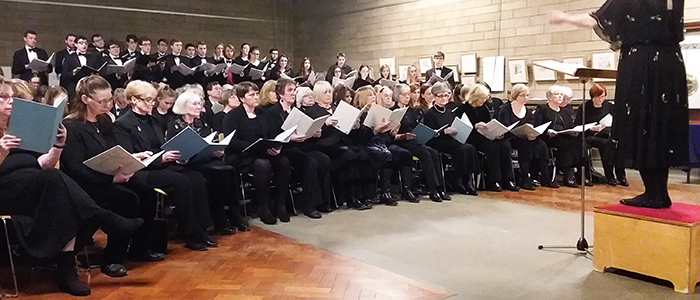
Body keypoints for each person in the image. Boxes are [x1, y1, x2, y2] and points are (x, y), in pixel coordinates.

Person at [0, 76, 143, 296]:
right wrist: (2, 151)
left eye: (11, 97)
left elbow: (40, 162)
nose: (10, 101)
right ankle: (102, 219)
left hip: (35, 184)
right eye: (3, 97)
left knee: (58, 188)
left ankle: (66, 271)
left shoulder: (20, 127)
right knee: (54, 179)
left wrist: (58, 144)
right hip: (6, 190)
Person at [550, 0, 687, 208]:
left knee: (640, 124)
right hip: (670, 65)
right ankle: (659, 193)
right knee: (660, 125)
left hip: (641, 63)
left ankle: (653, 193)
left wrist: (565, 17)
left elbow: (595, 20)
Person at [61, 75, 159, 278]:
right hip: (83, 183)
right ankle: (112, 259)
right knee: (127, 199)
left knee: (146, 192)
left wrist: (131, 158)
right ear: (86, 99)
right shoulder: (72, 126)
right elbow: (73, 166)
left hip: (106, 176)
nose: (108, 105)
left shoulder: (104, 121)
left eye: (110, 100)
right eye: (102, 101)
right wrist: (111, 179)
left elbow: (113, 151)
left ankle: (136, 249)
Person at [114, 80, 216, 251]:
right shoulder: (123, 124)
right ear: (133, 100)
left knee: (196, 177)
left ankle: (202, 230)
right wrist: (160, 158)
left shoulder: (152, 121)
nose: (151, 104)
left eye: (153, 100)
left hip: (160, 163)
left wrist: (173, 154)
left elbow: (161, 145)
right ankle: (190, 234)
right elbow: (128, 156)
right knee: (180, 181)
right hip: (140, 171)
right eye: (147, 100)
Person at [166, 91, 246, 234]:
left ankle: (233, 213)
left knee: (228, 170)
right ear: (184, 107)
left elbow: (208, 141)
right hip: (186, 163)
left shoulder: (201, 122)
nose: (199, 107)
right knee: (211, 177)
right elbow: (175, 148)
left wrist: (216, 150)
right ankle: (213, 221)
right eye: (195, 104)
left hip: (203, 160)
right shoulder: (174, 125)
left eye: (200, 104)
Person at [222, 82, 291, 224]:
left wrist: (277, 146)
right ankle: (263, 207)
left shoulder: (263, 113)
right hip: (243, 156)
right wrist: (252, 146)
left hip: (263, 151)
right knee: (263, 165)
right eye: (251, 94)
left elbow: (273, 133)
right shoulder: (233, 116)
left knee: (283, 162)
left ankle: (280, 206)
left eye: (257, 94)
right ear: (242, 98)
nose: (256, 97)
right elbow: (231, 141)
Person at [302, 81, 374, 210]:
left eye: (330, 92)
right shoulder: (312, 111)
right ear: (318, 94)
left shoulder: (336, 108)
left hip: (341, 143)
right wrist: (325, 124)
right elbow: (311, 134)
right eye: (326, 92)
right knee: (349, 155)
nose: (329, 95)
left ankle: (365, 195)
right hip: (324, 146)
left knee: (362, 154)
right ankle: (351, 197)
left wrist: (355, 126)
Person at [265, 78, 328, 217]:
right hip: (284, 149)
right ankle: (309, 206)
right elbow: (272, 134)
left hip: (300, 146)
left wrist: (314, 132)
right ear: (281, 94)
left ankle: (325, 201)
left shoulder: (297, 111)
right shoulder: (272, 112)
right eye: (290, 90)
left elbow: (303, 130)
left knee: (324, 160)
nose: (293, 93)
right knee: (309, 162)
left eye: (294, 90)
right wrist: (290, 137)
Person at [391, 83, 450, 202]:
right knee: (426, 154)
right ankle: (433, 190)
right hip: (401, 141)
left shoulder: (412, 111)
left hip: (414, 139)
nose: (408, 97)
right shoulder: (393, 111)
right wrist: (401, 135)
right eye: (404, 94)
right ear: (397, 96)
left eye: (409, 94)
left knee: (434, 152)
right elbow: (392, 133)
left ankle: (440, 188)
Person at [495, 84, 557, 190]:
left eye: (527, 95)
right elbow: (504, 126)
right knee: (525, 146)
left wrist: (531, 133)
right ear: (515, 96)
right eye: (522, 95)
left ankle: (545, 177)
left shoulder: (527, 110)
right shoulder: (505, 109)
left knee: (541, 145)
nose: (526, 98)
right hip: (511, 138)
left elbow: (531, 123)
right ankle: (524, 178)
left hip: (524, 137)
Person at [422, 82, 478, 195]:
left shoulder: (449, 112)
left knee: (470, 148)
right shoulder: (429, 113)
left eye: (446, 95)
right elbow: (429, 132)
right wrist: (443, 132)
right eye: (440, 96)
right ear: (434, 96)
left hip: (450, 139)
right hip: (437, 141)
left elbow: (453, 125)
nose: (444, 98)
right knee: (461, 149)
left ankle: (468, 180)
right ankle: (457, 180)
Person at [461, 84, 519, 192]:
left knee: (505, 145)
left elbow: (488, 123)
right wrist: (475, 126)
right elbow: (463, 126)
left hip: (485, 136)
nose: (484, 100)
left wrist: (496, 132)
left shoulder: (483, 108)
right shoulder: (463, 108)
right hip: (472, 138)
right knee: (492, 148)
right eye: (482, 98)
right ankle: (494, 180)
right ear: (475, 96)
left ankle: (508, 179)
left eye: (485, 98)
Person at [535, 85, 590, 188]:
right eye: (557, 94)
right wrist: (548, 131)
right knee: (566, 144)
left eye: (561, 94)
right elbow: (538, 126)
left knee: (580, 142)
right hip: (549, 138)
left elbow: (569, 126)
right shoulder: (542, 109)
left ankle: (580, 173)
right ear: (550, 97)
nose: (560, 96)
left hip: (563, 135)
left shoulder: (564, 110)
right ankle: (568, 174)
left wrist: (573, 131)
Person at [574, 83, 628, 186]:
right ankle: (609, 175)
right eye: (598, 97)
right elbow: (578, 124)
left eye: (603, 97)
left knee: (617, 144)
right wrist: (591, 128)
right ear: (592, 97)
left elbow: (617, 121)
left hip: (606, 133)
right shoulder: (584, 107)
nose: (600, 99)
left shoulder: (609, 106)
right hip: (590, 135)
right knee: (607, 144)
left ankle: (621, 174)